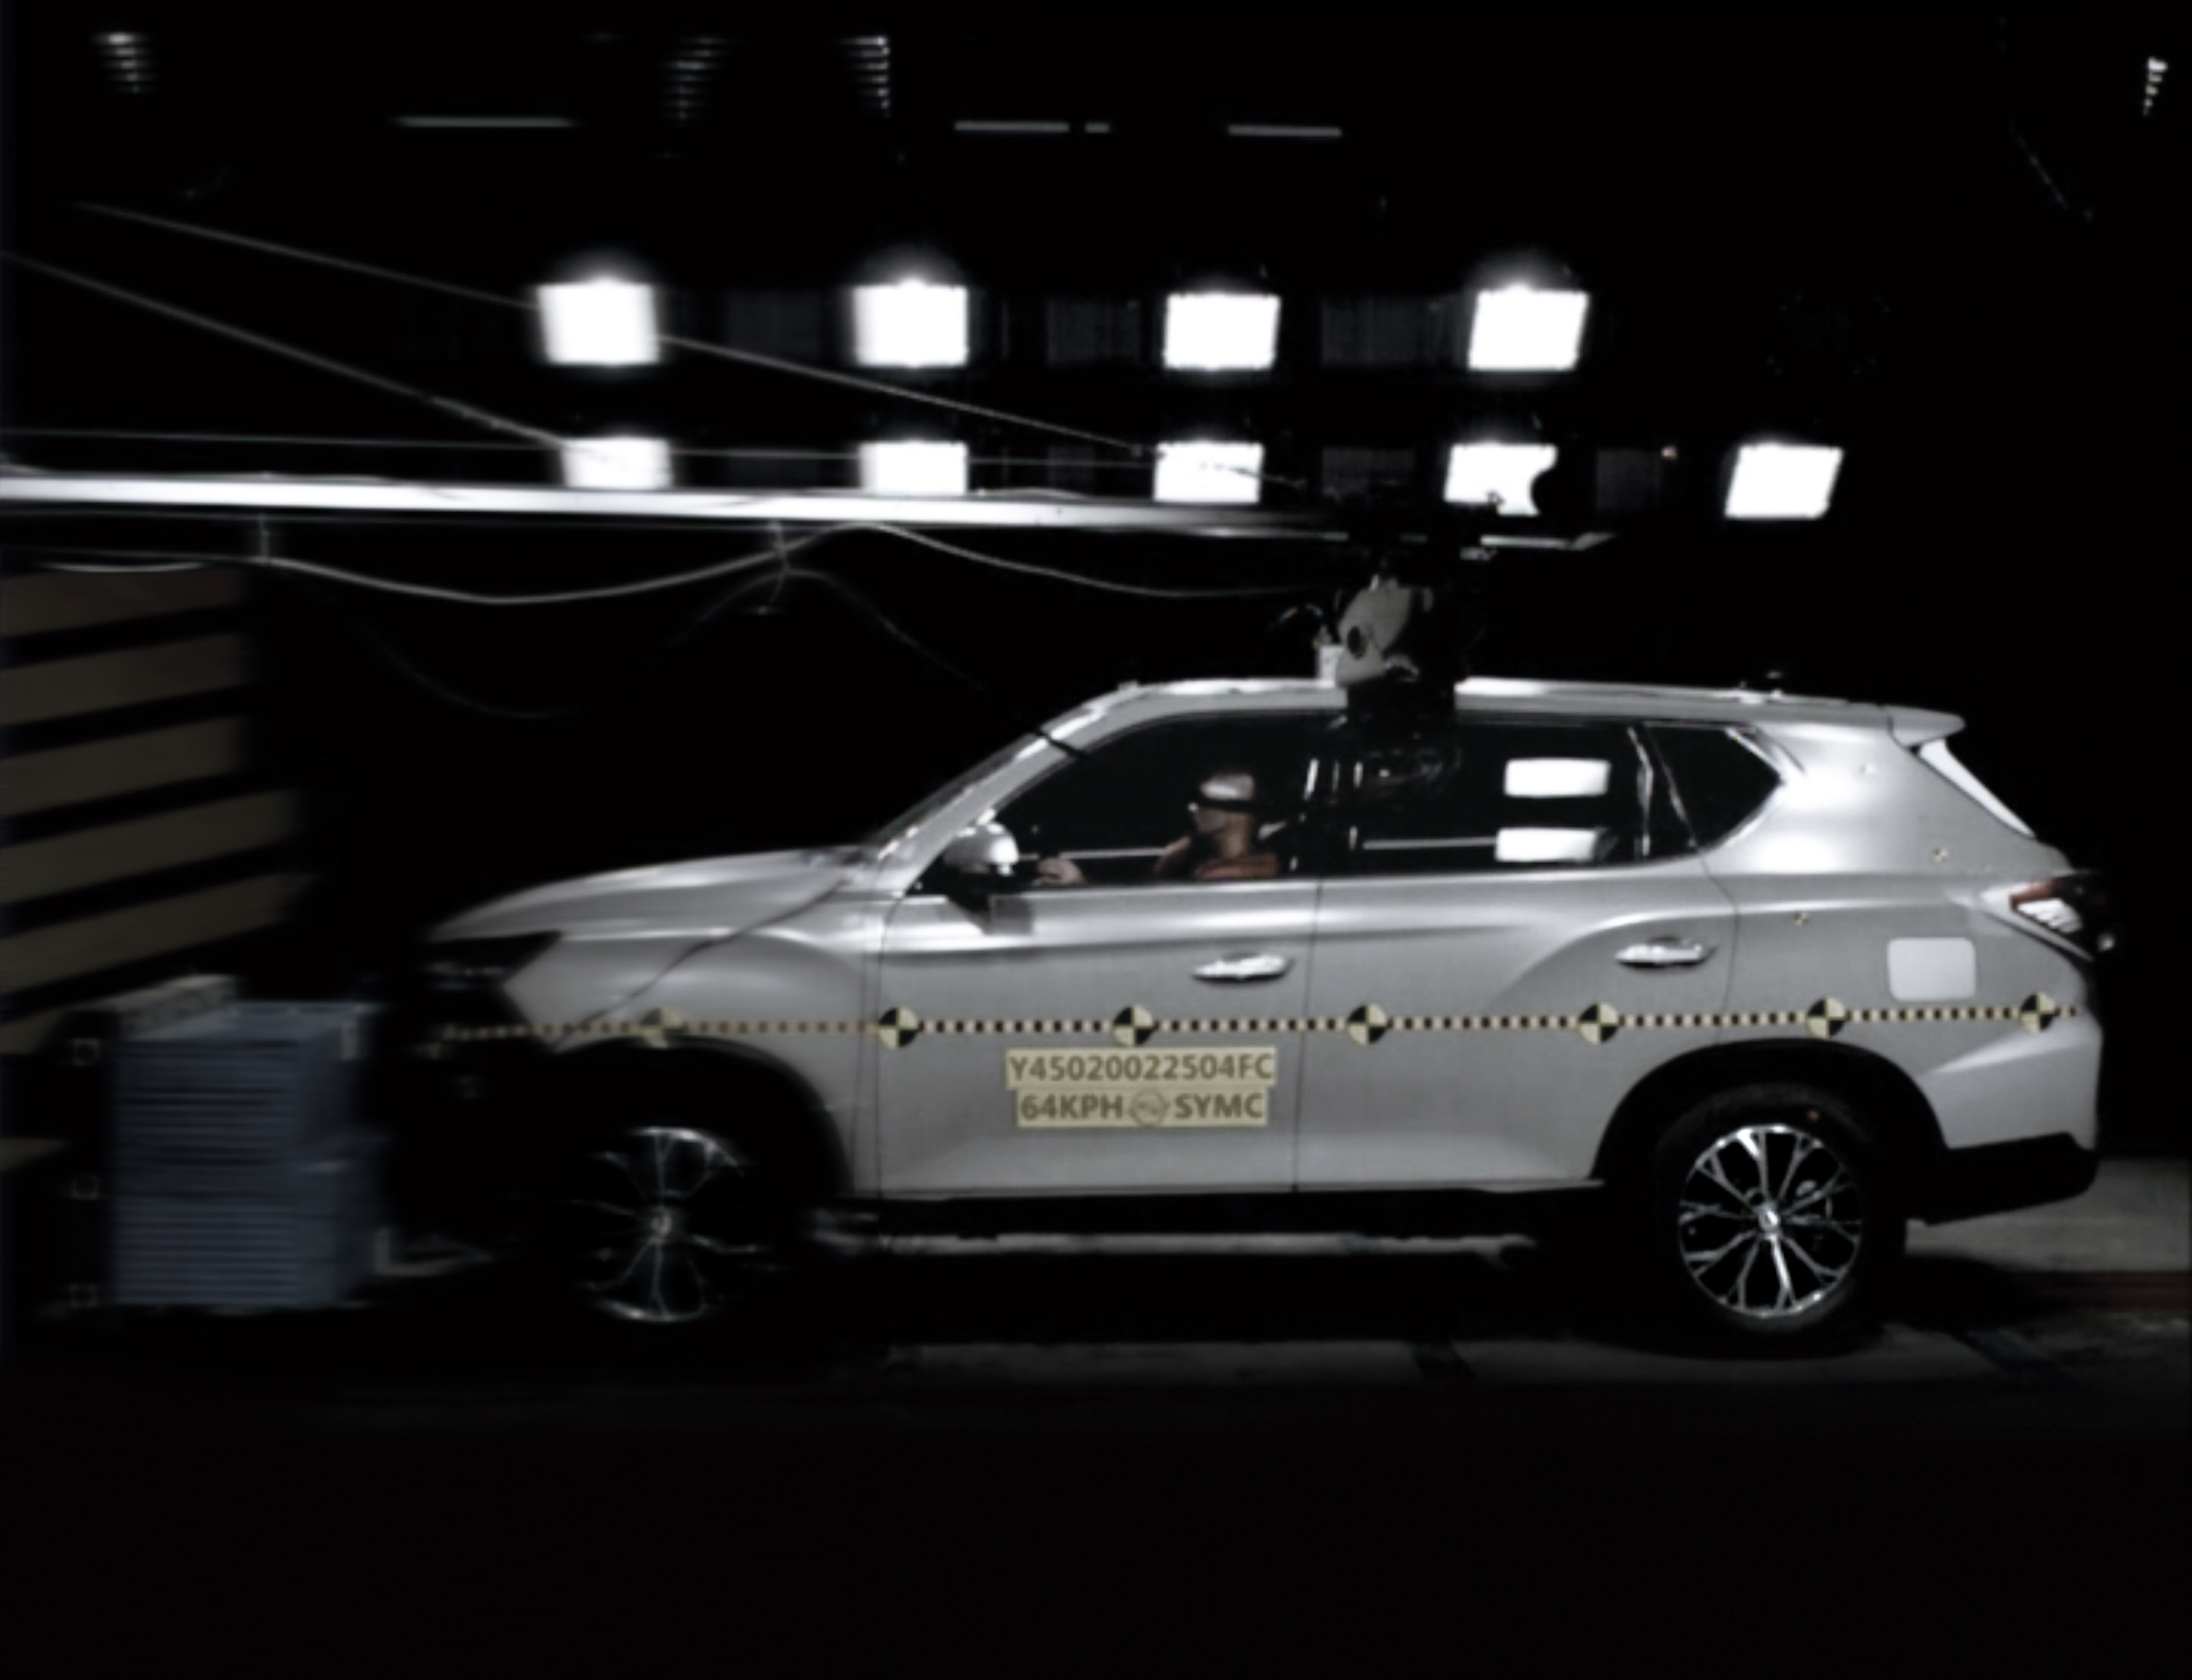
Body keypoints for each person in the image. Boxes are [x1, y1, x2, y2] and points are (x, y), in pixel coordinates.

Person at [1035, 766, 1280, 885]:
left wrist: (1080, 885)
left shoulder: (1235, 875)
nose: (1192, 808)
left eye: (1204, 803)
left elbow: (1143, 916)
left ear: (1234, 815)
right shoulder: (1195, 855)